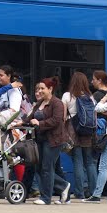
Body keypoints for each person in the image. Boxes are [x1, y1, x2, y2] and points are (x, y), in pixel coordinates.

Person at [25, 77, 70, 205]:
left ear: (50, 89)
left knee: (46, 168)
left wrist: (39, 123)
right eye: (38, 88)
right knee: (39, 168)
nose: (39, 91)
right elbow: (30, 117)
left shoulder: (57, 103)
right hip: (40, 139)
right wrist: (20, 122)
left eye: (42, 88)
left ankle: (46, 198)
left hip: (54, 140)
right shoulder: (40, 103)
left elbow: (56, 120)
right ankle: (64, 186)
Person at [61, 71, 96, 200]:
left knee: (78, 161)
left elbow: (63, 117)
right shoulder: (90, 96)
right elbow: (95, 115)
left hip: (73, 129)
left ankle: (79, 192)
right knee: (90, 162)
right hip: (87, 130)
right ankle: (94, 192)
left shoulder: (67, 96)